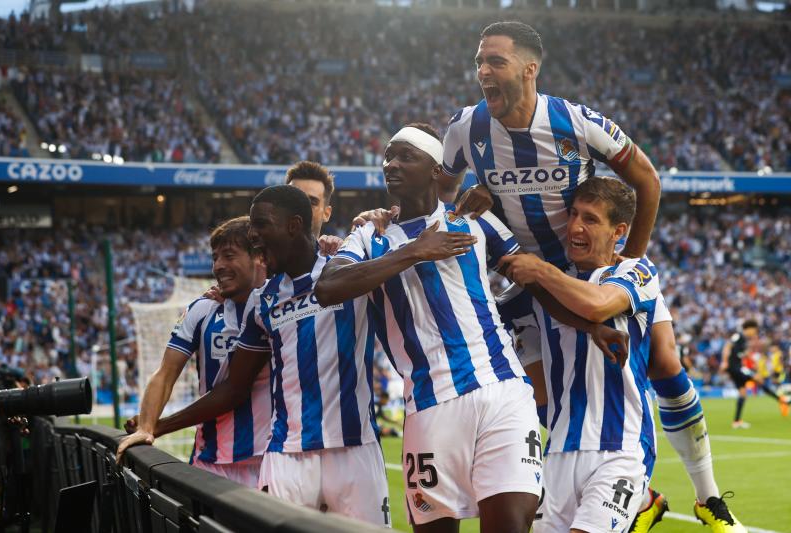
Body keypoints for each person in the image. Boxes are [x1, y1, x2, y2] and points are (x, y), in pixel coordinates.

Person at [437, 20, 742, 531]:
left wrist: (625, 269)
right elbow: (440, 199)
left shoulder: (574, 122)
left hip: (595, 268)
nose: (483, 72)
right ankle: (632, 499)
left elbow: (646, 178)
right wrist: (465, 204)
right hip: (523, 279)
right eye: (479, 63)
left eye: (495, 62)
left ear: (529, 69)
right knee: (542, 395)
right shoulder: (465, 129)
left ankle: (708, 497)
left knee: (665, 362)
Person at [316, 123, 544, 533]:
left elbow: (530, 279)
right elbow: (329, 287)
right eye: (388, 156)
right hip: (431, 403)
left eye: (405, 156)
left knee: (511, 525)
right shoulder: (370, 234)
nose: (391, 164)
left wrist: (590, 324)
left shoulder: (474, 220)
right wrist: (415, 251)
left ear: (438, 170)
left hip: (503, 388)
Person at [497, 176, 662, 532]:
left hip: (619, 447)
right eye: (573, 214)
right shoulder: (536, 295)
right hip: (557, 453)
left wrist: (540, 269)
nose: (575, 226)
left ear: (618, 231)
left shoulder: (636, 272)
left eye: (590, 218)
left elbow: (598, 306)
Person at [237, 185, 390, 526]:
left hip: (356, 447)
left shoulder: (350, 274)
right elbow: (234, 386)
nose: (253, 235)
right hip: (286, 453)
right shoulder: (261, 301)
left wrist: (375, 221)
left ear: (293, 225)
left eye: (260, 225)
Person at [116, 217, 269, 488]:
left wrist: (160, 426)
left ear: (259, 257)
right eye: (215, 258)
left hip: (269, 461)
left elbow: (234, 391)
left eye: (229, 256)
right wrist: (146, 427)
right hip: (209, 461)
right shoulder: (202, 310)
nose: (218, 266)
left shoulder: (281, 308)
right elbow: (165, 373)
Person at [721, 319, 789, 429]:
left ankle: (737, 421)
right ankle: (781, 400)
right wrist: (724, 362)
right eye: (754, 330)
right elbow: (727, 346)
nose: (755, 333)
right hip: (735, 367)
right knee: (758, 378)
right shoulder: (738, 336)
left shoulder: (744, 340)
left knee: (743, 394)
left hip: (736, 368)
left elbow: (745, 353)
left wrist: (752, 361)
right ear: (749, 328)